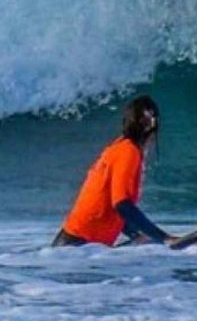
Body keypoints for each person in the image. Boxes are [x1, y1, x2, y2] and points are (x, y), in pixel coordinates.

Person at [53, 95, 176, 247]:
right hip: (79, 247)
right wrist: (164, 238)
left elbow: (111, 206)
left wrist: (135, 235)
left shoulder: (118, 148)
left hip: (75, 247)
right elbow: (122, 204)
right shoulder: (128, 152)